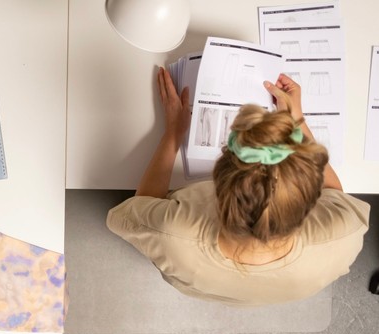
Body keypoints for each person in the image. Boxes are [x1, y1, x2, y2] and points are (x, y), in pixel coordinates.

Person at [106, 69, 370, 306]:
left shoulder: (170, 232)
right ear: (310, 200)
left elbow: (141, 203)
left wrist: (173, 134)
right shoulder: (344, 235)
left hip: (197, 278)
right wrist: (297, 120)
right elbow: (335, 195)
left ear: (216, 185)